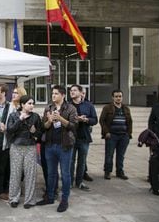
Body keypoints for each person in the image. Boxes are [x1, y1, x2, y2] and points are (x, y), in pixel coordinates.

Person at [36, 85, 77, 213]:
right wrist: (49, 121)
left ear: (63, 95)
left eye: (56, 93)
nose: (53, 96)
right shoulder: (48, 107)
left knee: (65, 174)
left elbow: (73, 126)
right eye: (52, 93)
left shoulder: (71, 108)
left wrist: (60, 119)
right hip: (49, 145)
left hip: (64, 145)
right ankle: (50, 196)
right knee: (51, 173)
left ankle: (64, 199)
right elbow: (44, 127)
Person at [7, 95, 42, 208]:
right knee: (15, 173)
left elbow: (40, 134)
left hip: (30, 147)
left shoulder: (36, 117)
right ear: (22, 104)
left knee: (30, 174)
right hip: (16, 146)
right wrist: (20, 119)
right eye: (29, 103)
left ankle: (30, 200)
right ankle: (13, 198)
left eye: (32, 103)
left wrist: (34, 132)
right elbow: (10, 130)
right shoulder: (13, 115)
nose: (32, 106)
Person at [69, 85, 97, 191]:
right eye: (71, 90)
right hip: (70, 137)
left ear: (81, 93)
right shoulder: (67, 105)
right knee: (70, 161)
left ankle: (79, 182)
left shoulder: (89, 105)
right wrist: (76, 119)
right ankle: (70, 182)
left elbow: (95, 120)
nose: (72, 92)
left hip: (84, 137)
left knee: (82, 161)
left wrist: (86, 120)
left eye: (75, 90)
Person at [99, 89, 132, 180]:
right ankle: (107, 171)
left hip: (123, 136)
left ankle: (119, 171)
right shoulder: (107, 108)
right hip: (111, 135)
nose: (118, 98)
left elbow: (130, 122)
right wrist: (106, 132)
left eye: (120, 96)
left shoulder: (126, 108)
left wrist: (128, 134)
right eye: (116, 96)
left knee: (121, 155)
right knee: (109, 154)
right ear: (113, 97)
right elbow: (102, 120)